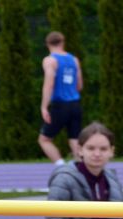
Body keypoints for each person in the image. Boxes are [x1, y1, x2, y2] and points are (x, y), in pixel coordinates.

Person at [38, 31, 83, 166]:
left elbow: (49, 84)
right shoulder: (74, 60)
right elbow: (79, 85)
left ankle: (61, 166)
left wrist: (44, 107)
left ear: (47, 44)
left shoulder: (50, 60)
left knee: (44, 139)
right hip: (75, 104)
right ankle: (82, 169)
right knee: (74, 139)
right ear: (63, 42)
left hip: (60, 105)